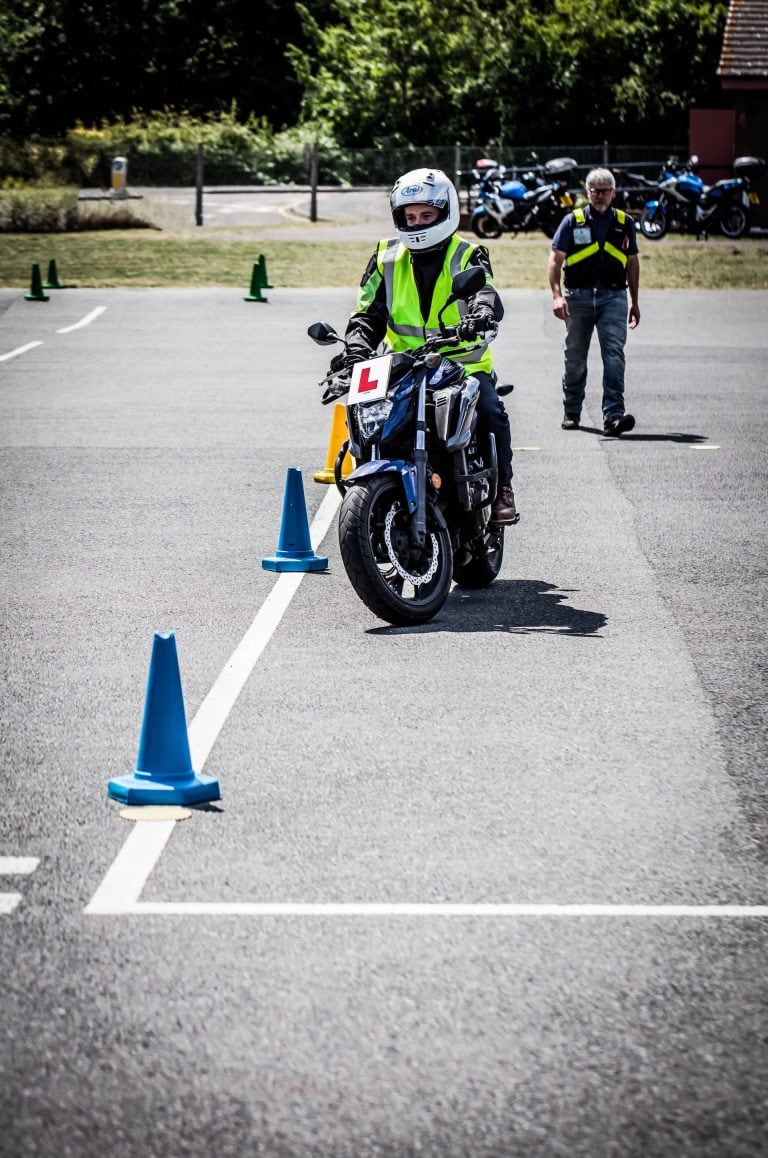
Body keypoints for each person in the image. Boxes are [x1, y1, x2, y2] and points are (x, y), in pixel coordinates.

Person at [339, 167, 519, 524]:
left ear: (444, 212)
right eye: (410, 216)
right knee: (364, 413)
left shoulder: (467, 254)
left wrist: (481, 314)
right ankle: (373, 492)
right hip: (398, 366)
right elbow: (366, 316)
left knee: (490, 409)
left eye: (426, 215)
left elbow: (486, 293)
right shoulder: (385, 257)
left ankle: (502, 491)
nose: (418, 222)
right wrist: (355, 352)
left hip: (461, 362)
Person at [548, 166, 640, 437]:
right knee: (575, 356)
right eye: (595, 191)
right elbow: (555, 259)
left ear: (613, 193)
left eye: (605, 191)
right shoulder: (572, 221)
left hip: (614, 297)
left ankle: (613, 416)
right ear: (587, 192)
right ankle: (571, 411)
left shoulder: (625, 222)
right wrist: (556, 295)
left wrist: (634, 300)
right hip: (578, 297)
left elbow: (632, 263)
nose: (600, 196)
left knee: (614, 356)